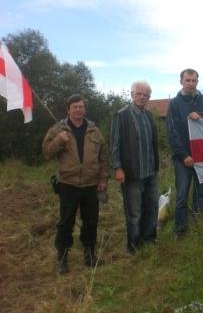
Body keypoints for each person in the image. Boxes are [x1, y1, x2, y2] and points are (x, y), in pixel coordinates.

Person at [42, 94, 108, 274]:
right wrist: (58, 140)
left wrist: (103, 180)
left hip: (91, 184)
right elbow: (47, 153)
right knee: (65, 223)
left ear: (85, 109)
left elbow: (103, 157)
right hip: (68, 184)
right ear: (68, 110)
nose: (78, 110)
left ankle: (89, 254)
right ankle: (62, 258)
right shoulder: (58, 129)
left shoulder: (94, 130)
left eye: (81, 107)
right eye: (75, 107)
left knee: (91, 221)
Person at [110, 81, 160, 254]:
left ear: (149, 97)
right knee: (134, 212)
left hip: (151, 172)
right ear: (132, 94)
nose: (142, 97)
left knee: (152, 207)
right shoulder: (121, 115)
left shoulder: (148, 115)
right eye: (139, 93)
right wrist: (117, 168)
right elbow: (114, 145)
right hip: (132, 173)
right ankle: (133, 246)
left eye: (145, 94)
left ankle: (149, 239)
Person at [167, 69, 203, 236]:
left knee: (201, 194)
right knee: (182, 195)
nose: (191, 83)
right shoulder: (174, 104)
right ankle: (180, 230)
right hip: (183, 159)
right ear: (181, 81)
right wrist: (184, 155)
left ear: (197, 81)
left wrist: (201, 118)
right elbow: (172, 133)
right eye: (187, 80)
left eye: (194, 80)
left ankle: (198, 226)